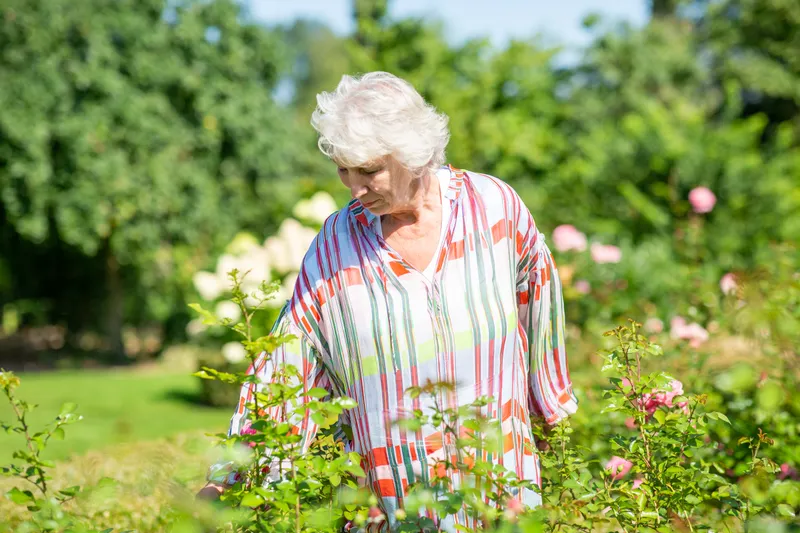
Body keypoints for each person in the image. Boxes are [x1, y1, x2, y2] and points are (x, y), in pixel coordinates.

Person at [198, 71, 578, 531]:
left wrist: (551, 415)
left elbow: (539, 310)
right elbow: (285, 365)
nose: (353, 188)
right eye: (343, 169)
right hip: (391, 508)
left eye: (369, 170)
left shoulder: (496, 208)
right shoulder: (335, 247)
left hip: (501, 498)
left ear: (414, 154)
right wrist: (230, 478)